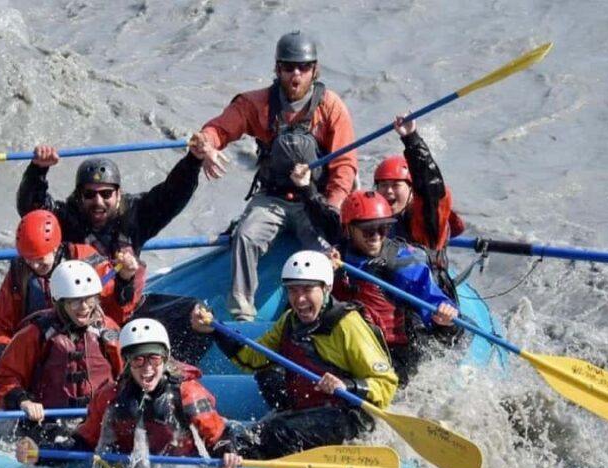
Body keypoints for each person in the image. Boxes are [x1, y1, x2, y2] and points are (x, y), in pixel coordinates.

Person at [197, 30, 357, 321]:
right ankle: (242, 312)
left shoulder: (331, 107)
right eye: (288, 67)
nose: (295, 74)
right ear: (277, 69)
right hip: (272, 198)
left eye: (303, 68)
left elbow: (344, 165)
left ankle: (326, 317)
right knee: (245, 236)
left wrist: (331, 208)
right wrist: (207, 144)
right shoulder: (257, 103)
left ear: (314, 70)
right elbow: (220, 128)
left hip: (313, 200)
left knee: (327, 255)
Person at [15, 144, 215, 363]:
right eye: (89, 194)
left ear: (118, 194)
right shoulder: (67, 218)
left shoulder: (135, 214)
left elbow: (171, 195)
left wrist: (193, 160)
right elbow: (33, 212)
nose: (98, 202)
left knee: (195, 313)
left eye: (106, 193)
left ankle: (170, 374)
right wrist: (38, 170)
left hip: (128, 307)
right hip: (82, 311)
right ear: (79, 196)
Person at [191, 251, 398, 459]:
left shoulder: (347, 325)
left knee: (276, 432)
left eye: (308, 289)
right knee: (267, 376)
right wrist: (216, 330)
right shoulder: (290, 320)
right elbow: (251, 359)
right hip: (311, 407)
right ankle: (284, 427)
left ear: (326, 288)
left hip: (347, 415)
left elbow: (387, 383)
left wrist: (348, 385)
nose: (299, 299)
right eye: (292, 290)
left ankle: (276, 439)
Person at [15, 318, 242, 468]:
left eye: (154, 358)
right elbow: (83, 442)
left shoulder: (187, 393)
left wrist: (228, 452)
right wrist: (41, 454)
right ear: (127, 363)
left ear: (165, 359)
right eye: (138, 360)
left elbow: (219, 437)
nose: (147, 368)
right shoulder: (109, 398)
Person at [331, 190, 461, 385]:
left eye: (382, 229)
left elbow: (433, 299)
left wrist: (445, 316)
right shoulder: (334, 258)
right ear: (348, 229)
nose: (375, 236)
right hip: (345, 349)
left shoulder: (402, 264)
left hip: (391, 355)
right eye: (368, 230)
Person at [0, 209, 143, 363]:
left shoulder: (87, 262)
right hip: (39, 356)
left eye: (40, 259)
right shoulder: (20, 273)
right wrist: (2, 351)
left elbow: (118, 312)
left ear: (55, 247)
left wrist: (125, 281)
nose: (34, 265)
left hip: (86, 350)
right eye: (28, 259)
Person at [0, 260, 122, 441]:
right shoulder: (36, 334)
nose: (84, 307)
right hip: (49, 420)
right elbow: (5, 378)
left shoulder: (108, 332)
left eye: (89, 299)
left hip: (97, 419)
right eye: (75, 302)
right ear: (60, 303)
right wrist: (24, 401)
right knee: (57, 441)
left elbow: (129, 373)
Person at [373, 115, 465, 284]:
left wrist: (411, 139)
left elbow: (430, 187)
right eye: (383, 185)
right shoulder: (371, 224)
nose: (388, 191)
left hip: (426, 293)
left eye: (395, 185)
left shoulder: (424, 222)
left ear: (411, 191)